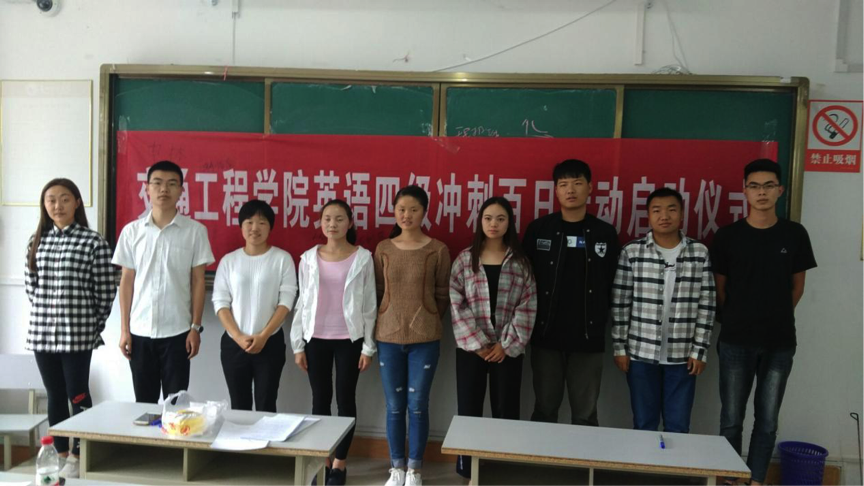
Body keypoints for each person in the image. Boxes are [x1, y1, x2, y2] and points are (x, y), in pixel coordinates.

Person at [712, 159, 816, 486]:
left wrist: (776, 315)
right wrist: (741, 318)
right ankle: (731, 479)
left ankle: (756, 479)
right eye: (754, 186)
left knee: (768, 421)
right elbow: (720, 289)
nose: (762, 192)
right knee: (731, 419)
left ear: (780, 190)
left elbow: (797, 287)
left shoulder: (794, 234)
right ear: (745, 191)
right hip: (735, 341)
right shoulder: (728, 236)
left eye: (768, 186)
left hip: (779, 342)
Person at [24, 178, 116, 479]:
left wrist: (91, 325)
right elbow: (31, 287)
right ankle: (60, 452)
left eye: (64, 199)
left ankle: (80, 452)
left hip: (77, 334)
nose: (57, 205)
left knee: (77, 393)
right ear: (44, 205)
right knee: (54, 394)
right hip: (42, 334)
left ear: (76, 202)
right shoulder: (36, 241)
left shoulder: (93, 242)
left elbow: (105, 292)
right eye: (51, 200)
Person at [522, 159, 619, 426]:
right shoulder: (539, 229)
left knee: (586, 414)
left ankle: (584, 456)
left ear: (590, 187)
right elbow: (523, 280)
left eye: (577, 183)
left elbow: (614, 283)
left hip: (588, 336)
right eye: (563, 184)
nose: (570, 190)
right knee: (544, 409)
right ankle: (542, 455)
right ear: (555, 190)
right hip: (546, 334)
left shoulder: (604, 233)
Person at [611, 187, 716, 434]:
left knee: (678, 425)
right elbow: (620, 302)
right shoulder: (632, 252)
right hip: (640, 353)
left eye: (671, 210)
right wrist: (619, 348)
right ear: (648, 215)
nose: (664, 216)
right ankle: (644, 461)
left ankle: (675, 463)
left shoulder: (699, 252)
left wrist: (700, 350)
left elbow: (707, 304)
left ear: (682, 214)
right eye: (656, 210)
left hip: (683, 356)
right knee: (644, 423)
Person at [112, 160, 215, 403]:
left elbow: (198, 282)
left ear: (181, 190)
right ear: (147, 188)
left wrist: (195, 328)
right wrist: (124, 330)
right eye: (157, 183)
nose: (164, 190)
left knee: (176, 405)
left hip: (178, 332)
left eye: (171, 184)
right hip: (139, 331)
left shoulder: (195, 231)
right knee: (143, 404)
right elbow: (127, 282)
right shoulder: (131, 232)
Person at [291, 199, 377, 486]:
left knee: (345, 399)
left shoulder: (363, 258)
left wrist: (368, 346)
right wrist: (298, 344)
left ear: (350, 223)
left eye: (339, 219)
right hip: (315, 338)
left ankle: (340, 464)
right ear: (320, 222)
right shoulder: (308, 258)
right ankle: (323, 461)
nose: (332, 224)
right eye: (327, 218)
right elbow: (303, 302)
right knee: (320, 400)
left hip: (349, 339)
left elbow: (369, 305)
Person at [449, 196, 537, 479]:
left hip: (506, 349)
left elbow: (527, 305)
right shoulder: (465, 259)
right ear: (480, 222)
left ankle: (503, 468)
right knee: (469, 408)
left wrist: (506, 344)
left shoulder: (520, 262)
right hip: (471, 349)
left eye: (500, 218)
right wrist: (478, 343)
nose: (493, 224)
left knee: (506, 409)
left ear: (509, 223)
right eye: (488, 218)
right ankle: (468, 469)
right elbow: (456, 303)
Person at [374, 185, 450, 486]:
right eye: (401, 209)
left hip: (425, 340)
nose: (407, 215)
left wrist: (427, 319)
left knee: (418, 405)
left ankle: (415, 470)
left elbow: (442, 294)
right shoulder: (383, 248)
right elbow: (378, 292)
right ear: (394, 211)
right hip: (388, 337)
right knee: (394, 406)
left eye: (414, 209)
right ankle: (397, 468)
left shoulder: (438, 249)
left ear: (424, 212)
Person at [213, 200, 297, 412]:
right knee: (239, 405)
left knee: (266, 404)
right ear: (241, 226)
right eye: (249, 222)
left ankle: (265, 437)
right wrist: (238, 337)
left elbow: (286, 301)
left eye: (262, 222)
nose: (255, 228)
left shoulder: (282, 259)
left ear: (270, 227)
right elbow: (221, 303)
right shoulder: (229, 261)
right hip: (234, 344)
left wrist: (263, 336)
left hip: (270, 342)